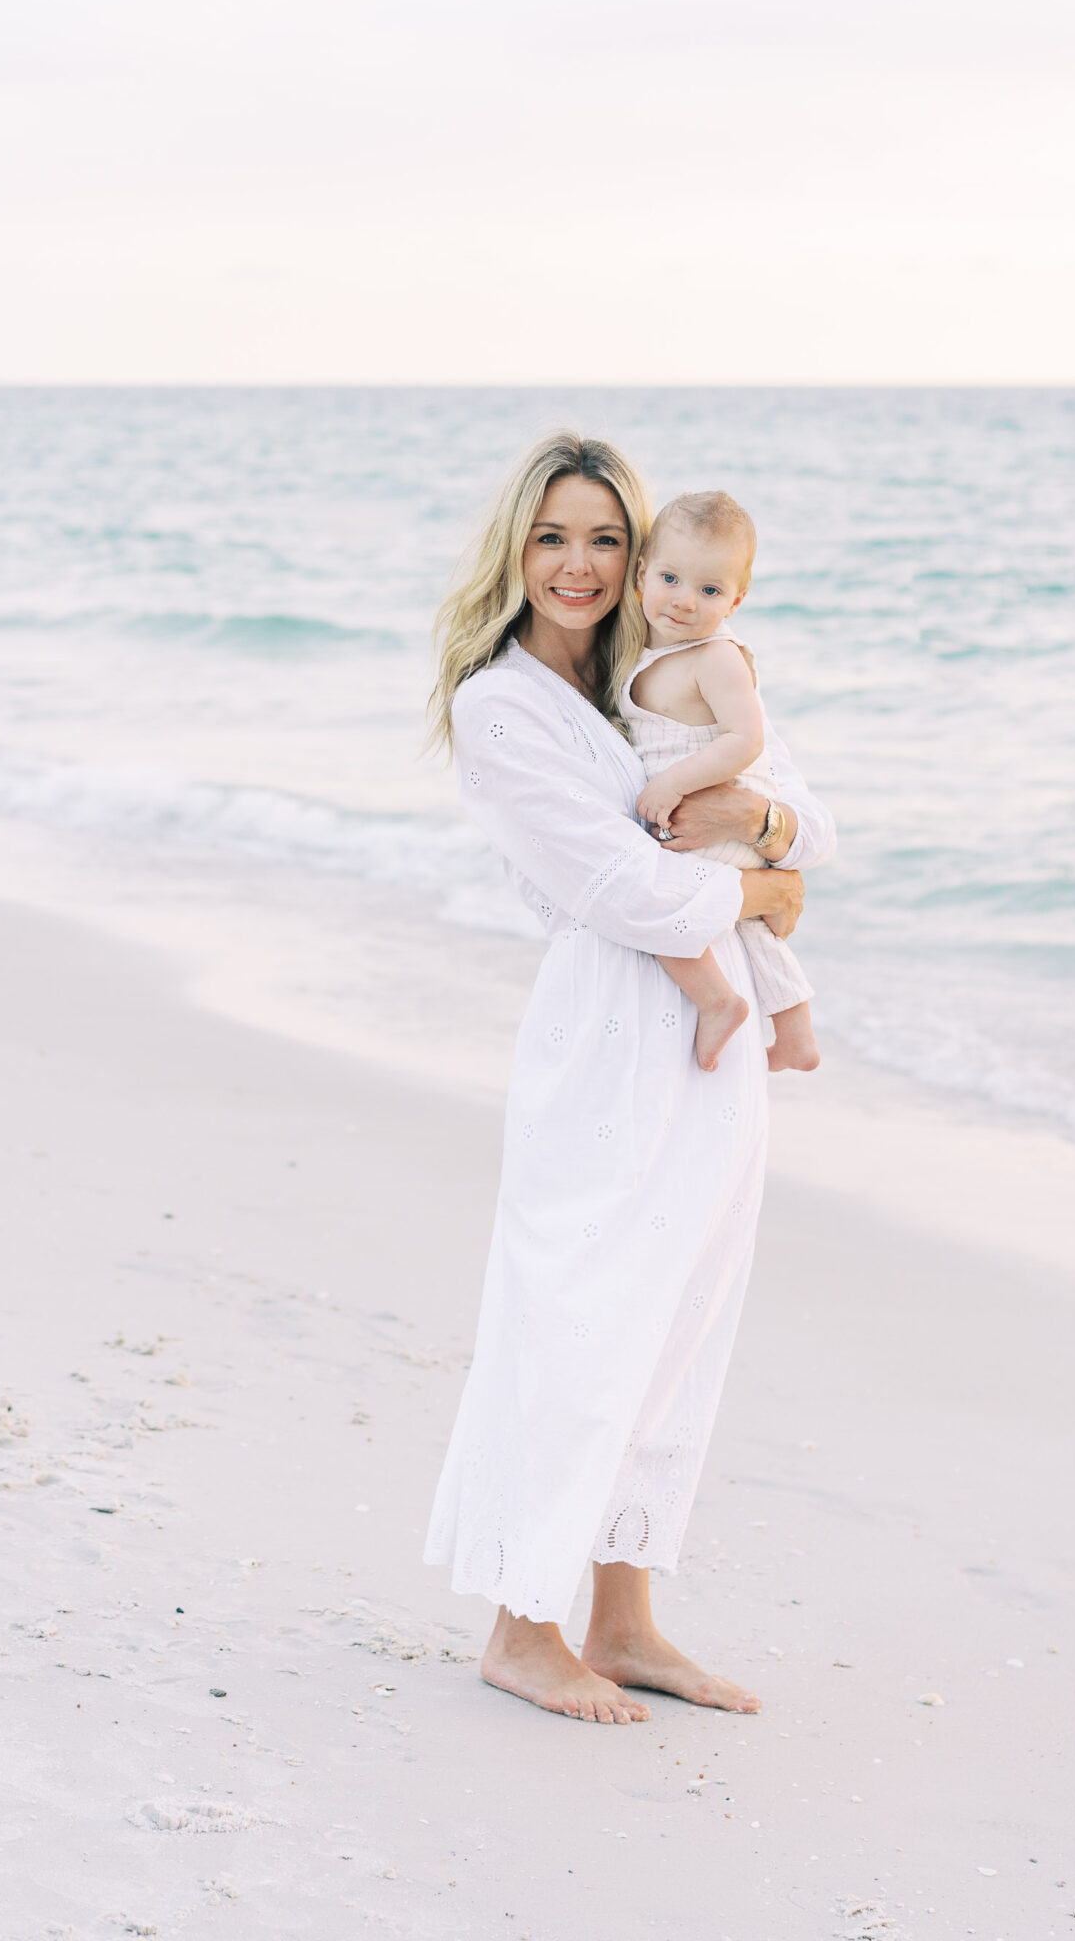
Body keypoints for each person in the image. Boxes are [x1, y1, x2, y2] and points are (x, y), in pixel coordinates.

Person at [423, 431, 835, 1724]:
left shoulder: (662, 668)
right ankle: (519, 1624)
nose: (579, 564)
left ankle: (624, 1618)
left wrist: (762, 829)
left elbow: (811, 820)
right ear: (513, 547)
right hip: (604, 1034)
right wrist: (759, 890)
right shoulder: (499, 706)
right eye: (551, 536)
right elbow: (618, 886)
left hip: (711, 1047)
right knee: (574, 1316)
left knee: (678, 1317)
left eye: (605, 538)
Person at [625, 489, 821, 1077]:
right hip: (716, 828)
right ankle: (796, 1036)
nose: (685, 601)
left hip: (714, 817)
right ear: (641, 573)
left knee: (655, 905)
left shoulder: (717, 657)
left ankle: (717, 1001)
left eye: (709, 591)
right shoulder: (645, 650)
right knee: (754, 930)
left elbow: (745, 740)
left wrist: (672, 785)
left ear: (738, 597)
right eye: (671, 579)